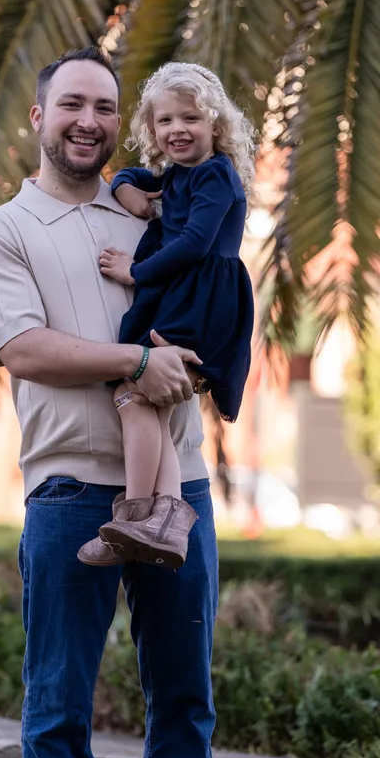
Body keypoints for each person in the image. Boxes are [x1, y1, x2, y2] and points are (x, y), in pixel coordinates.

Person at [0, 47, 219, 758]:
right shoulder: (3, 229)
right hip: (70, 488)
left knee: (184, 694)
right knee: (57, 698)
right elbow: (23, 347)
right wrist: (137, 359)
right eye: (71, 104)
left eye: (106, 108)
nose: (89, 122)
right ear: (37, 118)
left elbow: (216, 293)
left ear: (125, 123)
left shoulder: (160, 218)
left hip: (178, 485)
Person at [77, 62, 255, 571]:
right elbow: (142, 178)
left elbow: (196, 243)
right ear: (152, 130)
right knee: (144, 401)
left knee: (133, 396)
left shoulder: (217, 174)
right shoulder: (180, 174)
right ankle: (159, 520)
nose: (177, 129)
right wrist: (125, 186)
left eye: (191, 119)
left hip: (203, 300)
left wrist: (137, 272)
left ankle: (137, 517)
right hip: (186, 297)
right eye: (165, 121)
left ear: (215, 125)